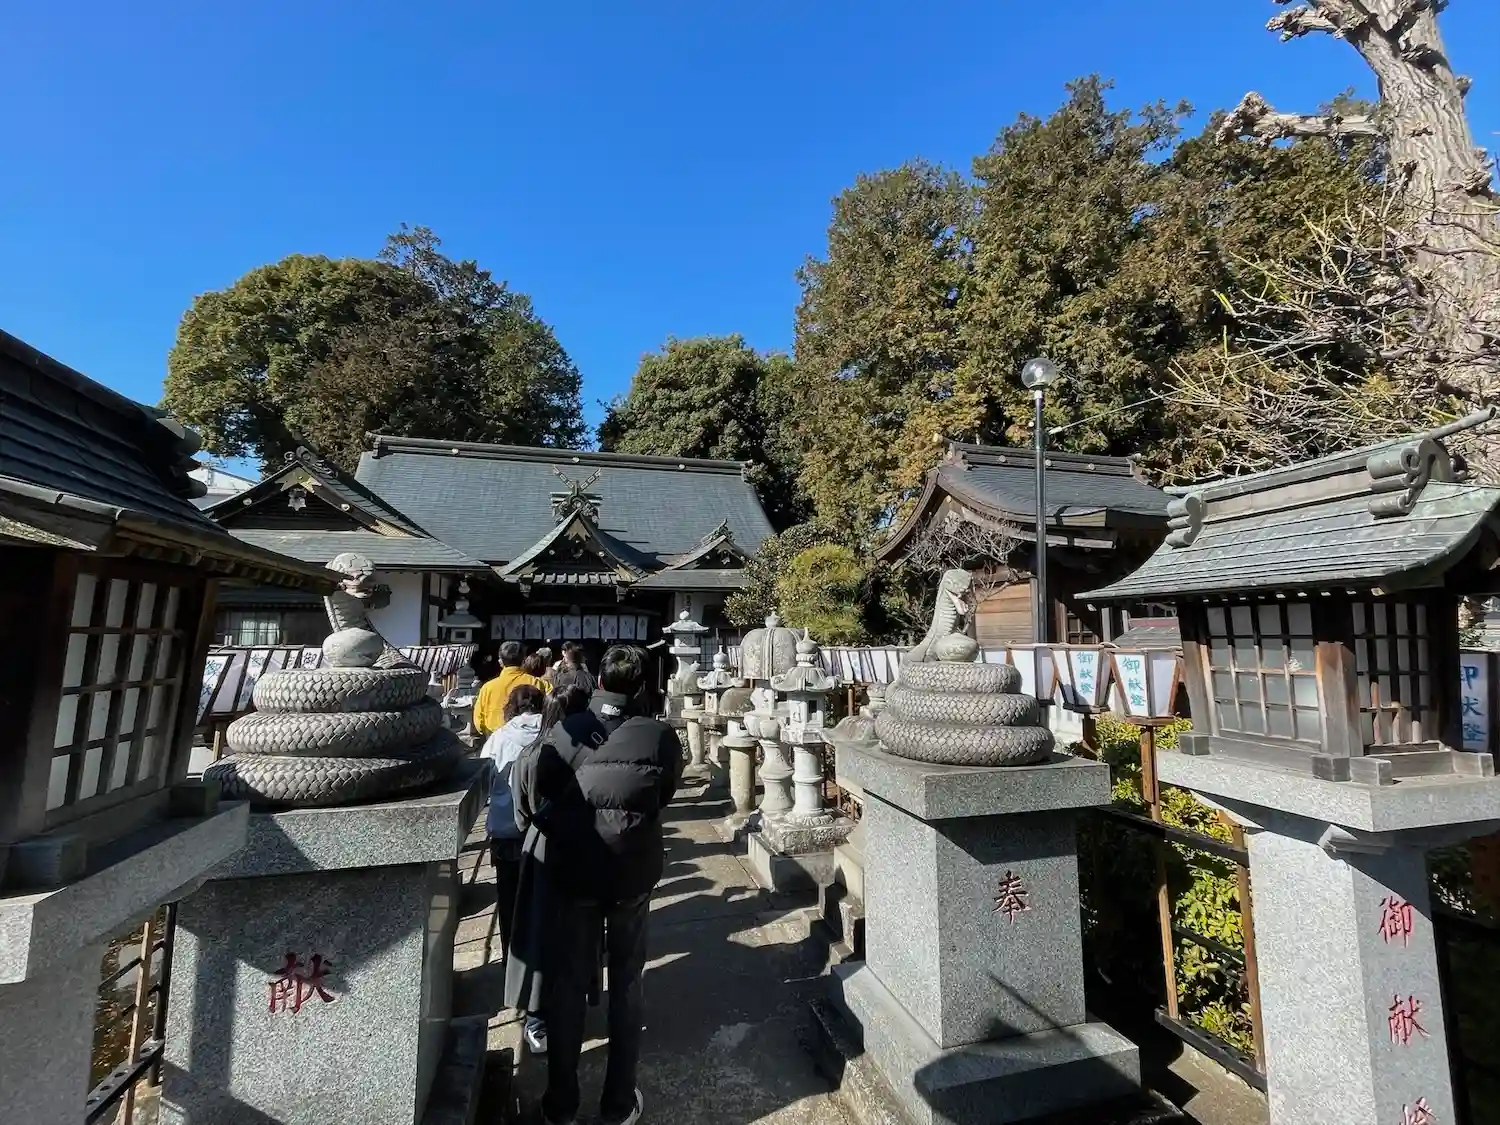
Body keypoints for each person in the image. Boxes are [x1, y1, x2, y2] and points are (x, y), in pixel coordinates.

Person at [517, 645, 682, 1125]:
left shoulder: (566, 730)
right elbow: (663, 793)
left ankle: (561, 1105)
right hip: (631, 871)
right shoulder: (659, 735)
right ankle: (618, 1103)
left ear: (601, 681)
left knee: (568, 984)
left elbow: (544, 789)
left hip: (573, 869)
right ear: (643, 685)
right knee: (627, 982)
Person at [505, 684, 609, 1062]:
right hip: (585, 845)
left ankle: (537, 1017)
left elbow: (520, 816)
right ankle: (575, 1001)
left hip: (541, 847)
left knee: (540, 933)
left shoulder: (530, 756)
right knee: (581, 931)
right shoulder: (597, 751)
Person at [481, 684, 546, 1050]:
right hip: (544, 835)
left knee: (510, 908)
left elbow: (485, 780)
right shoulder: (552, 736)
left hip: (507, 834)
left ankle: (514, 973)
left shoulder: (499, 739)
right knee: (543, 910)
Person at [473, 641, 549, 738]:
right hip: (530, 738)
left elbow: (479, 721)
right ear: (524, 660)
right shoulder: (538, 683)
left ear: (500, 661)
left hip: (495, 736)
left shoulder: (488, 688)